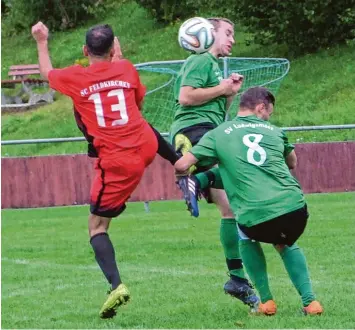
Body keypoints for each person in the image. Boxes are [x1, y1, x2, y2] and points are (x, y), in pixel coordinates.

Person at [31, 22, 179, 319]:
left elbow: (47, 73)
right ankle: (180, 162)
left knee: (96, 226)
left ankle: (115, 286)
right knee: (140, 123)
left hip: (118, 161)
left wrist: (42, 41)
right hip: (147, 144)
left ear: (85, 51)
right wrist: (119, 61)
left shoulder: (76, 77)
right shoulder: (126, 69)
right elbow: (136, 104)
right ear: (114, 49)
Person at [174, 87, 324, 315]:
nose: (268, 118)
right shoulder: (274, 130)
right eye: (268, 113)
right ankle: (311, 303)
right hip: (295, 209)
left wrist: (184, 177)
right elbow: (292, 163)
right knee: (286, 243)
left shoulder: (219, 133)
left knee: (245, 232)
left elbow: (182, 165)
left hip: (256, 216)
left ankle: (266, 303)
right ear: (261, 107)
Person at [171, 17, 258, 307]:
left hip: (207, 129)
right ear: (208, 34)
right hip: (197, 129)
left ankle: (236, 279)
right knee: (242, 174)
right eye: (228, 33)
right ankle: (191, 169)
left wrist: (229, 93)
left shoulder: (213, 66)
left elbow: (217, 111)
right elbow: (186, 97)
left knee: (229, 209)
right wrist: (222, 89)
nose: (232, 39)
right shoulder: (202, 59)